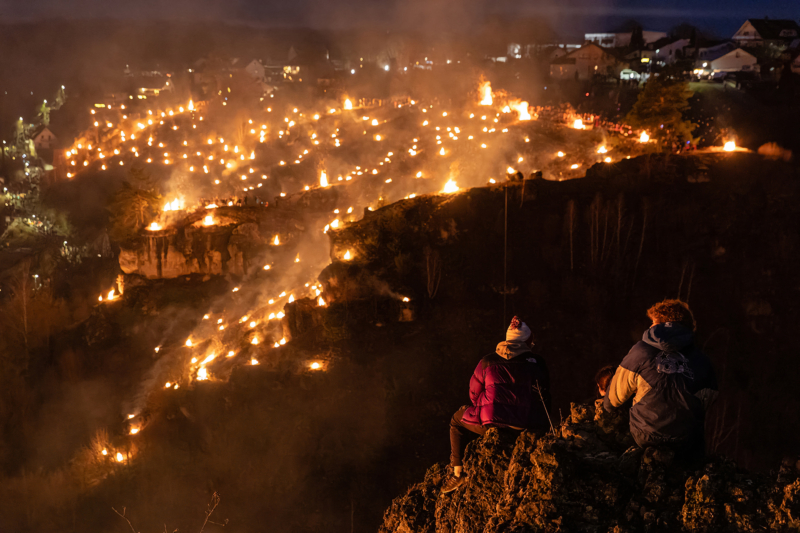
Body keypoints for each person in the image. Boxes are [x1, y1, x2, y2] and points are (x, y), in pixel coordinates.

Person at [441, 317, 550, 494]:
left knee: (456, 420)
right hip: (525, 425)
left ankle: (457, 473)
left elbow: (474, 393)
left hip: (491, 422)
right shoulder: (537, 363)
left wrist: (486, 406)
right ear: (526, 341)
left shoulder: (487, 361)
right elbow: (544, 396)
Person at [603, 300, 718, 460]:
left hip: (645, 436)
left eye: (653, 323)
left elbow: (612, 400)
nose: (650, 327)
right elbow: (708, 400)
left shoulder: (640, 351)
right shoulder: (702, 360)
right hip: (684, 441)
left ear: (660, 323)